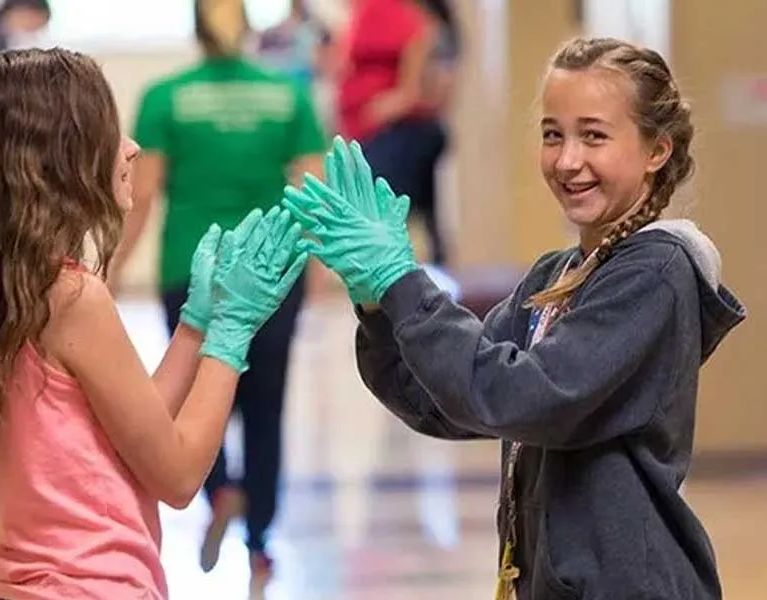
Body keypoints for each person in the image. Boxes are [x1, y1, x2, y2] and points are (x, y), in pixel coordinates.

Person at [283, 37, 746, 600]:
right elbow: (445, 401)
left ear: (657, 151)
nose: (568, 159)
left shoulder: (656, 272)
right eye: (554, 134)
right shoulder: (556, 275)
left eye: (594, 135)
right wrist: (378, 305)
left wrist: (403, 280)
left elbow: (521, 397)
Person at [0, 47, 307, 600]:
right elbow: (178, 473)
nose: (132, 149)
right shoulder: (72, 296)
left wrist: (196, 323)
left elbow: (133, 436)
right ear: (56, 157)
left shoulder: (9, 288)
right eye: (108, 133)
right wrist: (232, 334)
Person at [111, 0, 326, 593]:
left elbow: (144, 193)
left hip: (192, 269)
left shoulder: (165, 97)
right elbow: (312, 186)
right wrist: (330, 268)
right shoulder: (287, 96)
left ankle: (221, 489)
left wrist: (111, 269)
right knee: (265, 407)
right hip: (273, 271)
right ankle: (260, 545)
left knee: (191, 393)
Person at [332, 0, 449, 265]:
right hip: (367, 132)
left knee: (388, 216)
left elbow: (421, 37)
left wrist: (404, 96)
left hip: (396, 130)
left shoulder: (385, 8)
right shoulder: (359, 12)